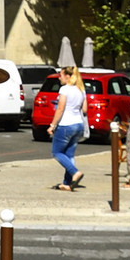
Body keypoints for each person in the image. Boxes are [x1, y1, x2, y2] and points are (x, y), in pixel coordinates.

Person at [51, 64, 88, 192]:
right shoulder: (81, 89)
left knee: (57, 152)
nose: (59, 78)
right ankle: (67, 183)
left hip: (66, 124)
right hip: (78, 124)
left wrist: (52, 125)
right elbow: (84, 109)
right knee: (69, 154)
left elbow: (60, 109)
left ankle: (75, 172)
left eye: (60, 75)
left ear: (67, 76)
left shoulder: (64, 90)